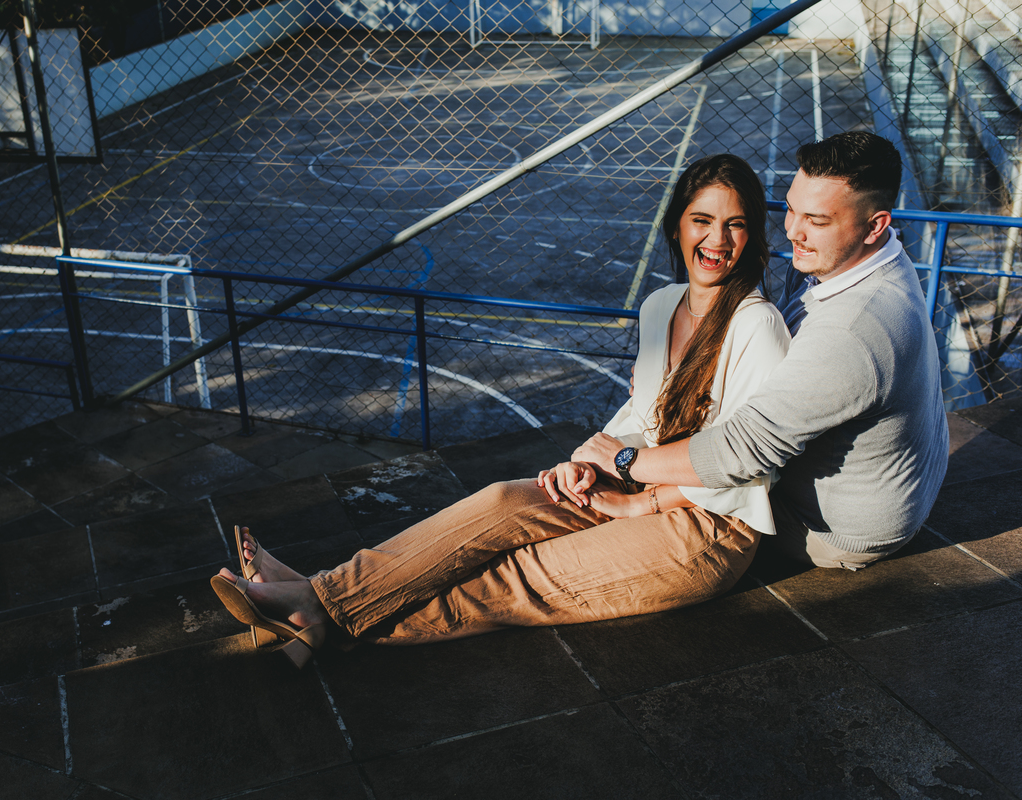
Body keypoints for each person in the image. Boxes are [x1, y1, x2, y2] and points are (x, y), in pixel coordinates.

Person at [211, 154, 791, 667]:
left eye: (736, 224)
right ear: (677, 226)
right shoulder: (662, 304)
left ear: (753, 236)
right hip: (634, 478)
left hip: (707, 525)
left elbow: (743, 464)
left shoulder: (757, 326)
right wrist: (586, 466)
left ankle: (316, 612)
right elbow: (644, 416)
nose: (717, 240)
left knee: (516, 575)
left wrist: (641, 501)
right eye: (702, 220)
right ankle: (318, 602)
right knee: (501, 504)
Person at [573, 131, 949, 571]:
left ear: (875, 225)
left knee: (591, 529)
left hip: (827, 527)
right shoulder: (852, 259)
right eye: (791, 209)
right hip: (890, 489)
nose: (793, 232)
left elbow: (742, 452)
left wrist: (625, 462)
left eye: (817, 221)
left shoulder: (853, 329)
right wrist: (678, 380)